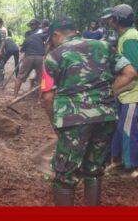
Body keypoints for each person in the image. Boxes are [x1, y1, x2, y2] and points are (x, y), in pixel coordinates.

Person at [42, 17, 132, 206]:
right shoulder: (104, 46)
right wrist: (107, 95)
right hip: (106, 116)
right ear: (75, 31)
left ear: (56, 35)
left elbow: (48, 97)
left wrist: (55, 124)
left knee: (65, 174)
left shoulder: (54, 56)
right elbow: (130, 73)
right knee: (94, 168)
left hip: (73, 119)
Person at [107, 4, 138, 175]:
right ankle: (118, 159)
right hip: (126, 92)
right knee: (120, 127)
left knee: (128, 128)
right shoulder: (126, 36)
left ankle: (132, 164)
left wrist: (116, 87)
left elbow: (135, 68)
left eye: (111, 18)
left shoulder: (129, 38)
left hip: (132, 93)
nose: (110, 21)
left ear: (117, 20)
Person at [13, 19, 45, 99]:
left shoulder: (29, 35)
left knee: (20, 77)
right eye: (31, 24)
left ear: (38, 25)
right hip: (39, 57)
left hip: (31, 57)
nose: (32, 26)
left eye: (33, 24)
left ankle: (15, 97)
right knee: (41, 79)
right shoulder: (42, 34)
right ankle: (39, 99)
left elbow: (23, 48)